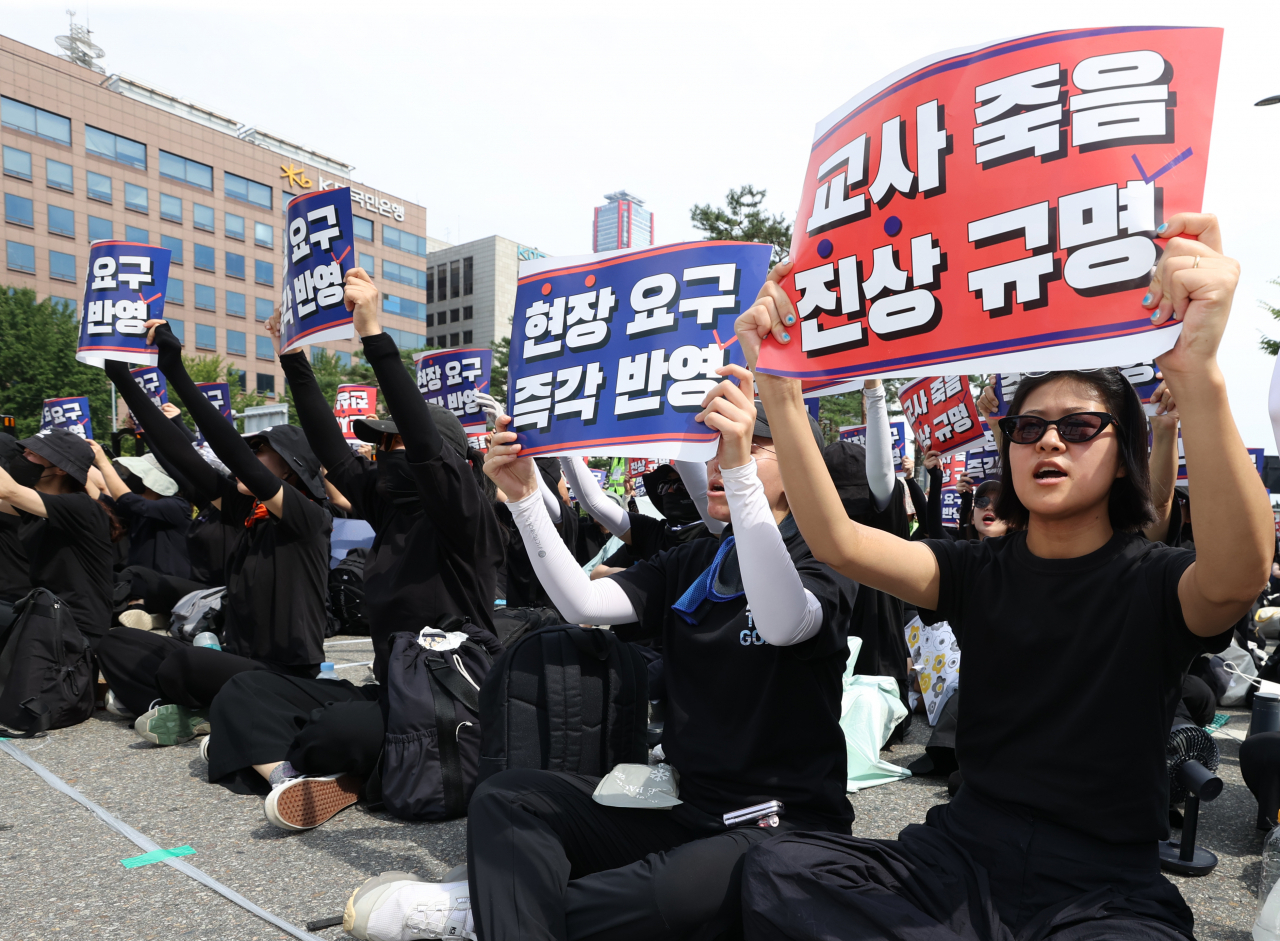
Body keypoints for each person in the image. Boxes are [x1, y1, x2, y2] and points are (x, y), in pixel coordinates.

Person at [731, 213, 1273, 941]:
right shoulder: (972, 568)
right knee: (775, 871)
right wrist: (781, 389)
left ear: (1124, 454)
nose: (1049, 438)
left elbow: (1237, 576)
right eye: (1028, 426)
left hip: (1102, 888)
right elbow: (835, 540)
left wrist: (1199, 371)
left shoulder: (1156, 581)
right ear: (1010, 453)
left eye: (1079, 426)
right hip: (955, 858)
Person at [342, 368, 859, 941]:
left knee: (650, 895)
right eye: (712, 447)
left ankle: (488, 910)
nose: (720, 461)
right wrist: (524, 498)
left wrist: (740, 475)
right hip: (687, 808)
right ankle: (504, 908)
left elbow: (785, 622)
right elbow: (583, 602)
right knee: (509, 799)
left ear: (798, 464)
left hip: (781, 828)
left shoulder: (827, 554)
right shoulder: (695, 559)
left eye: (749, 447)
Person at [203, 291, 503, 830]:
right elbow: (330, 447)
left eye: (390, 446)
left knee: (335, 730)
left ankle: (326, 765)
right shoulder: (387, 512)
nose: (377, 456)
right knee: (245, 690)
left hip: (446, 703)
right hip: (391, 697)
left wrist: (372, 332)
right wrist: (290, 357)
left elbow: (426, 447)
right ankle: (291, 778)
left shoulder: (464, 518)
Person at [95, 324, 332, 746]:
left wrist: (175, 368)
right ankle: (204, 709)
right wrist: (121, 375)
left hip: (284, 674)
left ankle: (201, 705)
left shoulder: (307, 518)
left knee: (183, 666)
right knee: (115, 644)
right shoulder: (246, 509)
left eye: (262, 451)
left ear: (290, 467)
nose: (252, 456)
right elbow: (178, 452)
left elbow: (229, 451)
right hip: (235, 660)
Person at [0, 428, 114, 649]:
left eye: (32, 454)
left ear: (60, 468)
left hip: (77, 629)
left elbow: (7, 491)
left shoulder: (81, 507)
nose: (23, 457)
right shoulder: (38, 508)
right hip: (43, 616)